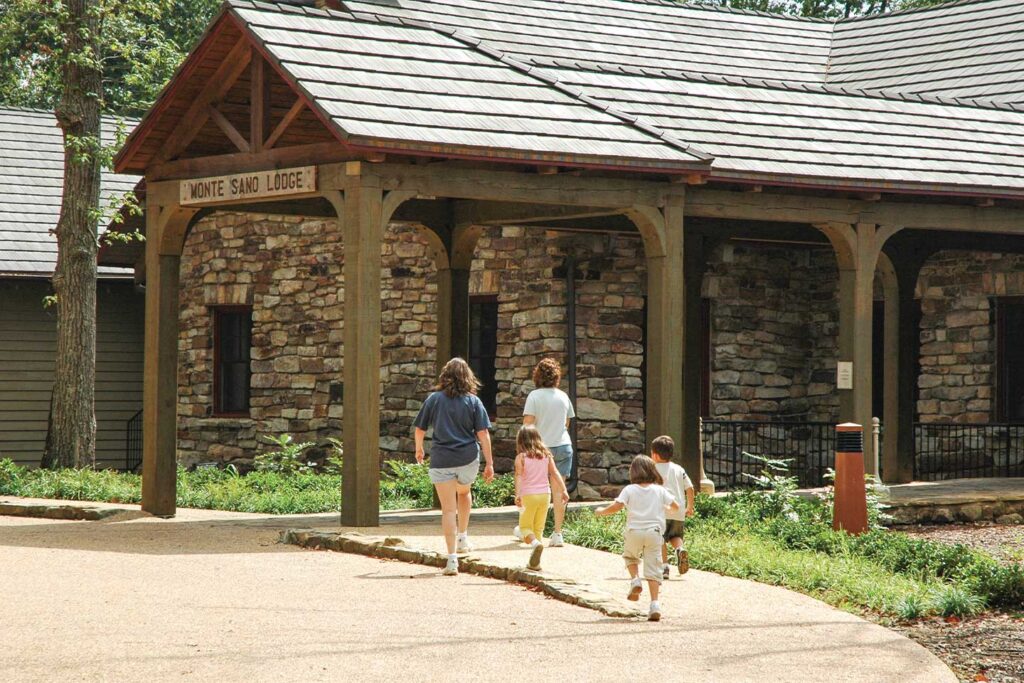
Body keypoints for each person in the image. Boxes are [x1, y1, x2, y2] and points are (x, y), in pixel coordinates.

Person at [414, 358, 495, 576]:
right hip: (467, 458)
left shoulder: (434, 399)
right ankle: (463, 537)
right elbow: (483, 433)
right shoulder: (473, 401)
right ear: (467, 377)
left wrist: (419, 449)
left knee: (448, 510)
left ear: (445, 376)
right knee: (464, 491)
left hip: (441, 459)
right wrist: (490, 462)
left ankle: (451, 560)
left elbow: (420, 429)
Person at [595, 455, 679, 622]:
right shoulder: (660, 490)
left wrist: (602, 511)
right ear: (652, 471)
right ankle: (655, 604)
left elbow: (617, 506)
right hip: (654, 533)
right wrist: (665, 508)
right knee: (653, 568)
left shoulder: (629, 489)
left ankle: (635, 580)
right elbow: (675, 507)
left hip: (634, 531)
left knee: (630, 557)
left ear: (633, 472)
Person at [519, 358, 575, 547]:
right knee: (559, 491)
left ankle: (528, 528)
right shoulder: (563, 396)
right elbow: (567, 423)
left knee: (533, 488)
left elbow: (528, 423)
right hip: (563, 446)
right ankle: (558, 533)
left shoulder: (534, 396)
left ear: (537, 375)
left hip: (540, 449)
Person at [514, 425, 570, 571]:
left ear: (520, 441)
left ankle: (535, 545)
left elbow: (519, 476)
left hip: (528, 495)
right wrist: (563, 490)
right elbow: (555, 473)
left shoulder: (521, 458)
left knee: (525, 527)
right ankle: (535, 563)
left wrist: (518, 494)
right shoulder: (546, 455)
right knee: (538, 528)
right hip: (545, 495)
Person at [649, 435, 695, 579]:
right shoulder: (679, 469)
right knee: (675, 536)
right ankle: (680, 549)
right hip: (678, 510)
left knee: (660, 539)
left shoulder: (652, 469)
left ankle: (664, 567)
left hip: (660, 511)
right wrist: (690, 507)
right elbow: (690, 488)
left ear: (655, 455)